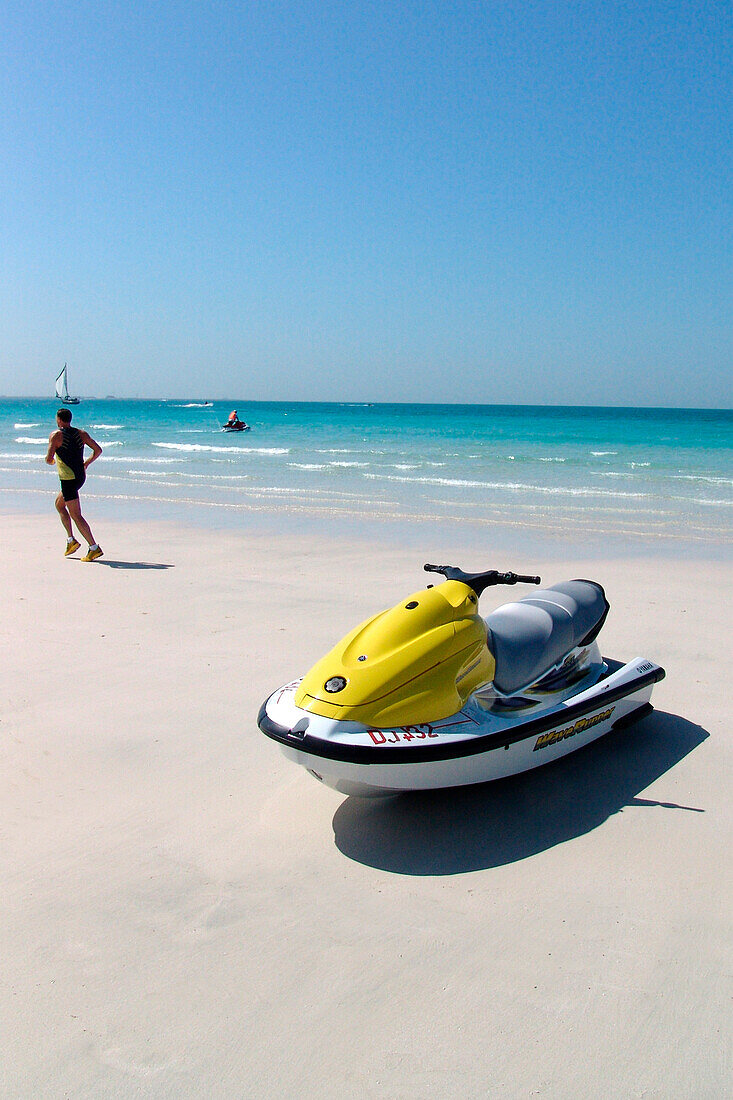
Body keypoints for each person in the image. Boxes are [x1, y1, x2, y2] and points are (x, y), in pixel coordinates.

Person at [45, 408, 104, 561]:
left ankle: (94, 547)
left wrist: (51, 461)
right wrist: (86, 463)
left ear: (59, 419)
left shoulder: (56, 435)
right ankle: (71, 541)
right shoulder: (81, 434)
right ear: (69, 419)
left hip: (68, 480)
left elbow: (49, 458)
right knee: (59, 504)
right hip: (79, 476)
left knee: (76, 515)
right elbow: (98, 450)